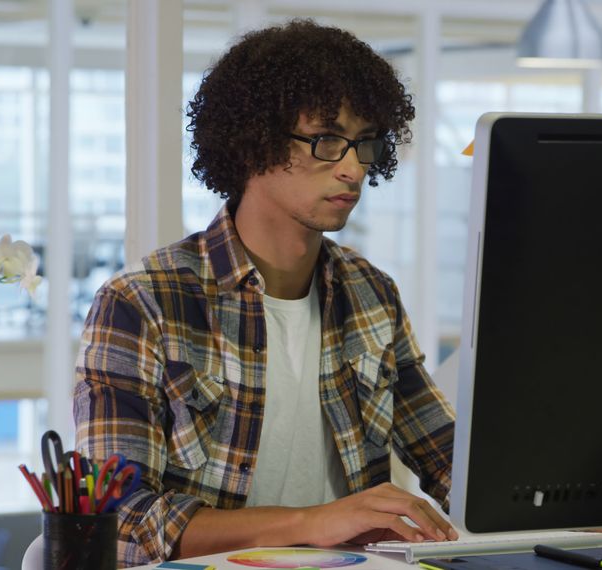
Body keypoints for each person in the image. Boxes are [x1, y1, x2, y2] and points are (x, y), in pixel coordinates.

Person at [73, 21, 458, 566]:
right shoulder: (142, 302)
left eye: (363, 143)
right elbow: (122, 519)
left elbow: (449, 459)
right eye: (327, 141)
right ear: (254, 142)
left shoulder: (373, 294)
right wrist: (311, 524)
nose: (353, 168)